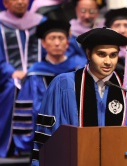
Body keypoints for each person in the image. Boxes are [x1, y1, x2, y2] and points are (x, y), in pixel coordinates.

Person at [31, 27, 127, 166]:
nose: (108, 62)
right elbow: (48, 132)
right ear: (88, 54)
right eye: (101, 54)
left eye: (113, 55)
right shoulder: (64, 84)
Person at [0, 0, 45, 158]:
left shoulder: (41, 23)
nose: (20, 2)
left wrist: (35, 71)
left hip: (37, 74)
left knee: (43, 86)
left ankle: (43, 147)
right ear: (5, 3)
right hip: (6, 77)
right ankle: (11, 146)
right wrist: (11, 72)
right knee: (11, 88)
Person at [13, 19, 85, 153]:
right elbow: (27, 109)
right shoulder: (35, 72)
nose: (57, 43)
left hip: (76, 131)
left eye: (61, 38)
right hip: (43, 134)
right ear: (44, 43)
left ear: (67, 43)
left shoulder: (79, 69)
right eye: (52, 38)